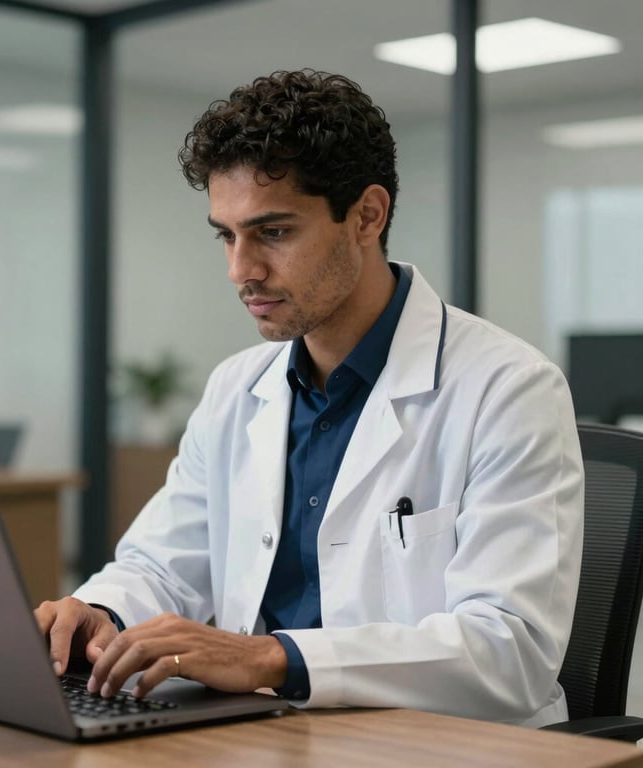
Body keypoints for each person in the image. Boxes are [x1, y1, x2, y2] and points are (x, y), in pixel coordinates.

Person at [35, 69, 583, 727]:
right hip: (262, 734)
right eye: (227, 235)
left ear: (367, 216)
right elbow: (161, 563)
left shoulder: (509, 388)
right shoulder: (237, 387)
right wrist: (100, 611)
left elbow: (510, 653)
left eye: (274, 232)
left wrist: (273, 659)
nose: (242, 271)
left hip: (442, 745)